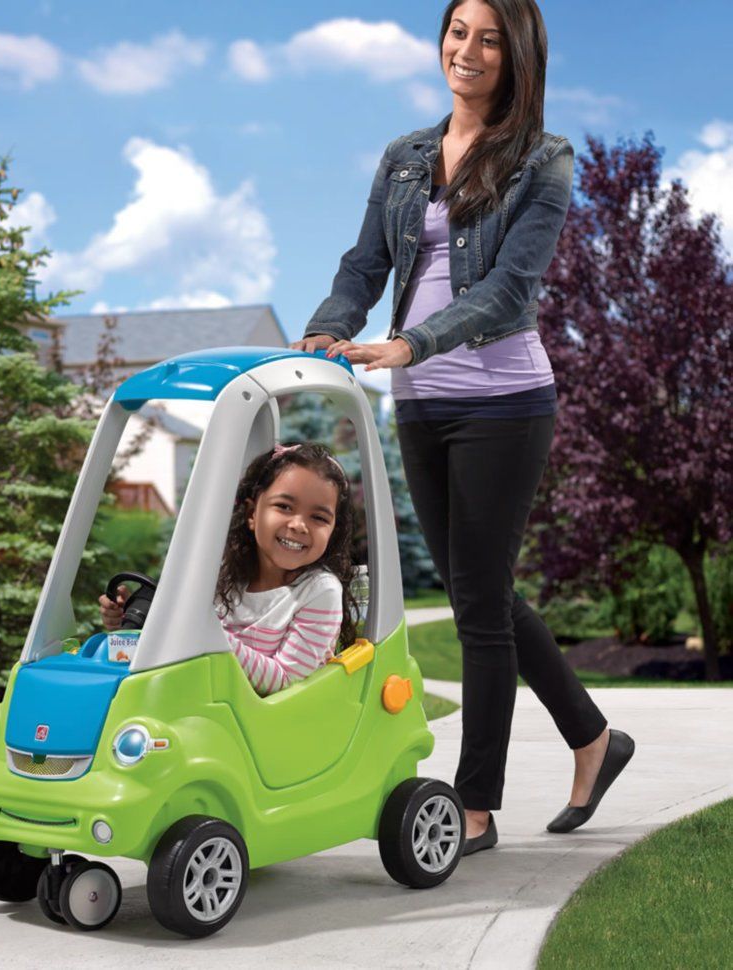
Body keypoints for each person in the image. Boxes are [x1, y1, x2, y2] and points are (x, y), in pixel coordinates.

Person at [292, 0, 634, 853]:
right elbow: (364, 265)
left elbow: (510, 290)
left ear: (516, 55)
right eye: (457, 32)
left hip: (503, 400)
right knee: (482, 593)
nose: (468, 50)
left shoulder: (544, 159)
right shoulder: (406, 156)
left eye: (488, 38)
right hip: (421, 400)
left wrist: (412, 343)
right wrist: (327, 327)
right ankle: (594, 739)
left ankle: (474, 807)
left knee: (480, 608)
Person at [100, 442, 359, 697]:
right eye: (284, 507)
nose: (298, 525)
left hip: (275, 720)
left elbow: (284, 680)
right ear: (252, 513)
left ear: (332, 531)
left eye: (318, 518)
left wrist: (203, 630)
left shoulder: (320, 591)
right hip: (207, 705)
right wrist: (133, 624)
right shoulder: (226, 575)